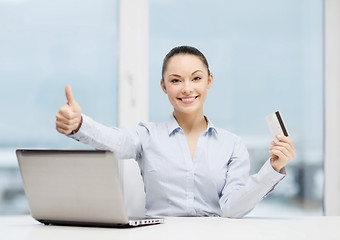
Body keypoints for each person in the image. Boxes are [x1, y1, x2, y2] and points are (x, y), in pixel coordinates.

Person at [56, 46, 295, 218]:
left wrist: (272, 169)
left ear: (209, 81)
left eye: (196, 78)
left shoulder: (232, 145)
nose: (187, 88)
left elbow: (232, 208)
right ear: (164, 86)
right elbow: (116, 141)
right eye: (176, 80)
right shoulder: (147, 135)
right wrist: (79, 124)